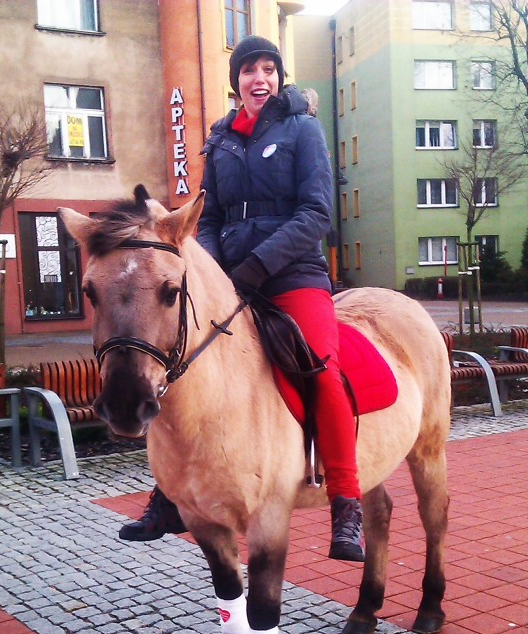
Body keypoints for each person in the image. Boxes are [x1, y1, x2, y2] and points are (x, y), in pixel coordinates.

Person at [119, 35, 365, 562]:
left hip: (294, 275)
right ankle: (167, 496)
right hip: (233, 279)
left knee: (321, 368)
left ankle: (346, 502)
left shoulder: (303, 129)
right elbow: (206, 221)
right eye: (250, 70)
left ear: (278, 78)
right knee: (177, 360)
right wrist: (211, 271)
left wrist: (257, 266)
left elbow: (316, 213)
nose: (261, 78)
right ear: (237, 83)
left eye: (269, 69)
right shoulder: (221, 143)